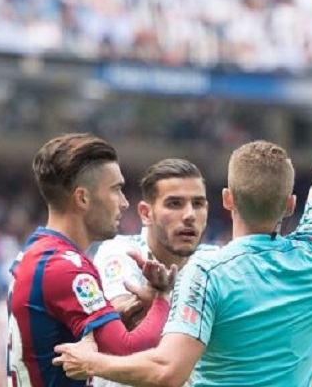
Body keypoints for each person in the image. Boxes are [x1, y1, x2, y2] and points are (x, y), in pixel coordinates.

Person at [53, 24, 312, 386]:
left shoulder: (207, 271)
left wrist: (92, 362)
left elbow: (167, 370)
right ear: (291, 205)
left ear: (227, 200)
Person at [7, 133, 177, 387]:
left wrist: (111, 321)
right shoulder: (66, 268)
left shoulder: (39, 252)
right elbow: (128, 350)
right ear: (83, 198)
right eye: (116, 189)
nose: (124, 202)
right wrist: (163, 297)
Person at [91, 158, 218, 387]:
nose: (189, 215)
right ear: (146, 213)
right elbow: (127, 325)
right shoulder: (121, 252)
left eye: (198, 204)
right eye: (175, 204)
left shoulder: (216, 262)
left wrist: (160, 303)